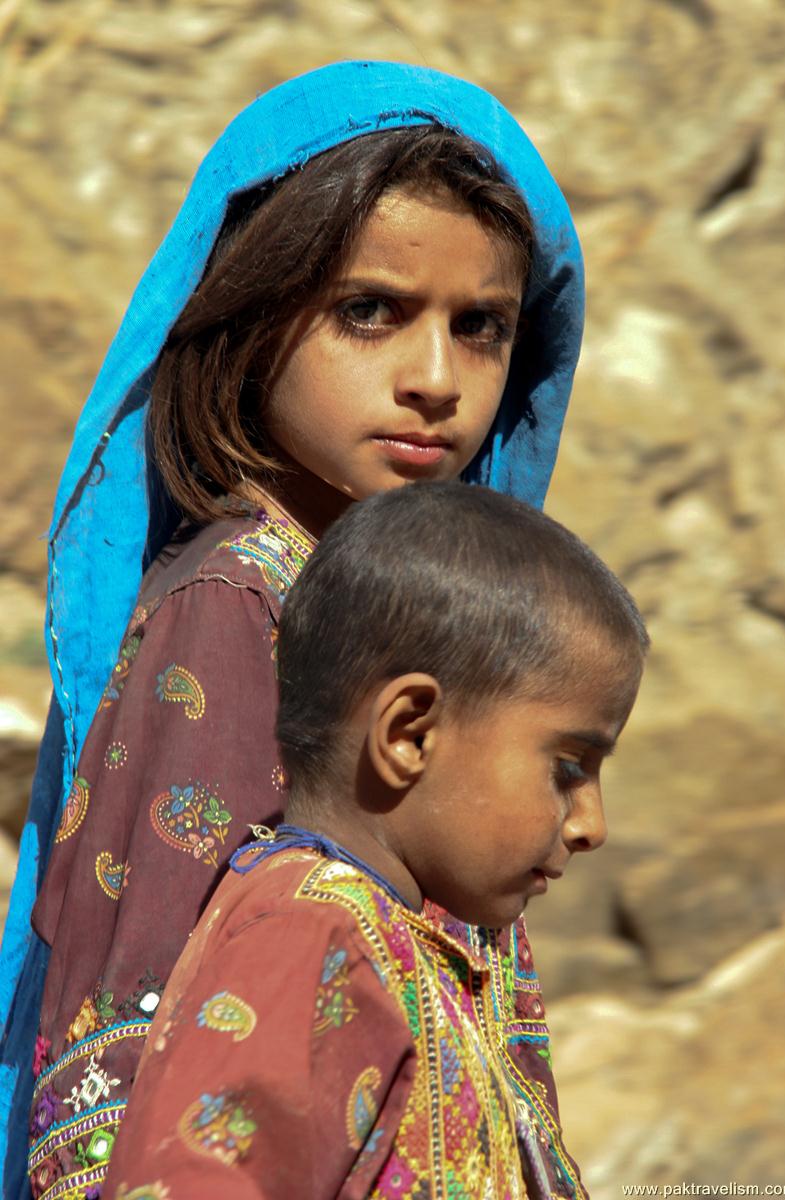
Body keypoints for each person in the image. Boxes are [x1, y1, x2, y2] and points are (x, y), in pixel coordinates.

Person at [0, 61, 585, 1199]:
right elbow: (125, 1041)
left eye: (481, 328)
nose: (434, 379)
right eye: (370, 311)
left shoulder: (395, 619)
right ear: (252, 316)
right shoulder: (233, 610)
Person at [101, 482, 648, 1200]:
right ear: (408, 735)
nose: (591, 826)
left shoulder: (387, 937)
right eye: (568, 767)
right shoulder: (309, 934)